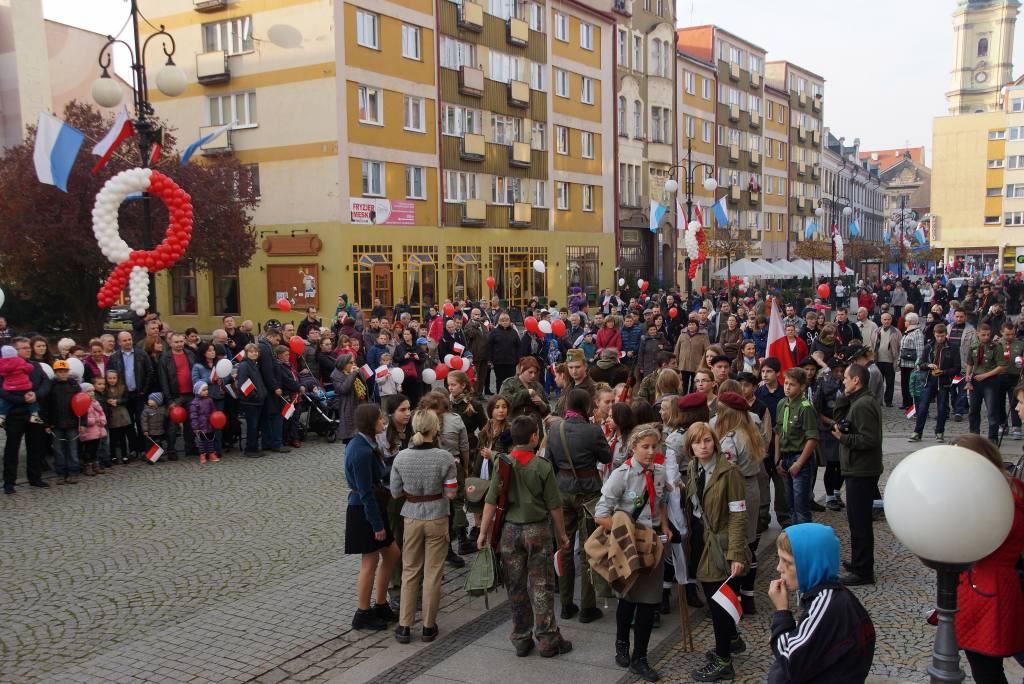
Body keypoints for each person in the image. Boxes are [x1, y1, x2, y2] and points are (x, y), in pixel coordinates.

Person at [476, 415, 573, 658]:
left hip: (510, 531)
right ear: (534, 437)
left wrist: (483, 532)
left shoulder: (503, 462)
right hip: (537, 530)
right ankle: (547, 638)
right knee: (542, 584)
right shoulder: (542, 466)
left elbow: (490, 500)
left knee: (515, 585)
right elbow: (554, 505)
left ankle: (521, 636)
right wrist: (562, 534)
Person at [592, 424, 670, 682]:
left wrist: (666, 528)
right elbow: (601, 515)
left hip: (653, 545)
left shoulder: (659, 473)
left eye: (654, 447)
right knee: (627, 597)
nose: (650, 452)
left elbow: (661, 503)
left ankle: (641, 657)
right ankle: (622, 643)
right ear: (633, 447)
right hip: (628, 546)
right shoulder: (621, 475)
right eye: (645, 447)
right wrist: (628, 531)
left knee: (649, 602)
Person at [951, 433, 1024, 684]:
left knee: (986, 669)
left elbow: (972, 544)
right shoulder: (1008, 488)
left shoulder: (996, 500)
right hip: (990, 586)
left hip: (985, 590)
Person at [766, 524, 876, 683]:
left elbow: (791, 661)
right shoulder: (831, 595)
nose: (779, 568)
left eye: (787, 562)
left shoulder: (826, 602)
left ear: (809, 564)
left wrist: (782, 613)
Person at [684, 422, 749, 682]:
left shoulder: (729, 473)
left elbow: (738, 515)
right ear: (690, 446)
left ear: (715, 443)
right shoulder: (693, 467)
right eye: (697, 442)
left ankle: (724, 661)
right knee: (714, 597)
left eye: (707, 440)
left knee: (718, 603)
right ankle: (731, 640)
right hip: (701, 538)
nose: (702, 446)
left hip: (721, 543)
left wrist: (736, 553)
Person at [389, 409, 458, 644]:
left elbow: (396, 492)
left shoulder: (401, 457)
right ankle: (429, 626)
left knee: (410, 572)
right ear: (435, 428)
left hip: (411, 516)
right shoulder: (445, 458)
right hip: (437, 516)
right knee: (433, 572)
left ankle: (404, 626)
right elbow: (451, 493)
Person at [545, 388, 612, 623]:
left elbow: (548, 462)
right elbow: (606, 457)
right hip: (588, 494)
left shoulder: (554, 429)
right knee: (588, 550)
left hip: (562, 492)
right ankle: (587, 607)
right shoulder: (592, 431)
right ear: (586, 406)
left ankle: (565, 604)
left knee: (564, 547)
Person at [345, 403, 401, 631]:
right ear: (370, 423)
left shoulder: (366, 443)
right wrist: (376, 524)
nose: (384, 422)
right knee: (369, 561)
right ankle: (363, 612)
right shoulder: (360, 450)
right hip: (364, 511)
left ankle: (380, 604)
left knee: (392, 553)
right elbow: (365, 491)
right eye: (380, 419)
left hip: (370, 506)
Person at [711, 391, 766, 615]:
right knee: (750, 542)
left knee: (737, 544)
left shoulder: (731, 439)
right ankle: (749, 595)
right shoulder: (751, 431)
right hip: (752, 488)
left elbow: (725, 469)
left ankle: (734, 598)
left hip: (738, 489)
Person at [832, 363, 882, 586]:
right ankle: (858, 562)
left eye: (846, 378)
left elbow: (869, 439)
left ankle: (863, 571)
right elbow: (840, 419)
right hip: (857, 468)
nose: (843, 381)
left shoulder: (863, 405)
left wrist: (844, 439)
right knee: (856, 520)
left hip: (862, 470)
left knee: (860, 522)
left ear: (856, 381)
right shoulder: (858, 400)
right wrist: (843, 396)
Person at [775, 368, 819, 525]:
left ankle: (804, 541)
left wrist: (799, 463)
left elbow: (812, 438)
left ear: (801, 387)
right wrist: (777, 459)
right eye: (786, 383)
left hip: (800, 458)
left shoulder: (805, 407)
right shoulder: (781, 404)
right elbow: (778, 433)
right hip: (785, 458)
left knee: (801, 506)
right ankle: (794, 540)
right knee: (790, 504)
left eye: (792, 385)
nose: (787, 387)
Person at [909, 323, 959, 443]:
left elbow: (957, 368)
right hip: (928, 381)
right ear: (934, 334)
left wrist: (944, 371)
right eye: (938, 336)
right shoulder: (929, 346)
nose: (940, 338)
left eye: (942, 336)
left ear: (946, 334)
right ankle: (917, 432)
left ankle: (939, 432)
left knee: (942, 408)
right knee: (923, 407)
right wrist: (927, 365)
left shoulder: (952, 348)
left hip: (943, 381)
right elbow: (920, 364)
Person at [967, 323, 1002, 441]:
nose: (986, 337)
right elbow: (970, 363)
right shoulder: (973, 346)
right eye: (983, 335)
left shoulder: (996, 347)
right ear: (978, 334)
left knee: (992, 410)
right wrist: (967, 375)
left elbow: (1000, 366)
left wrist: (985, 375)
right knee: (973, 410)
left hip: (990, 380)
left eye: (988, 335)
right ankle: (974, 436)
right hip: (976, 380)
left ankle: (993, 438)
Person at [236, 343, 268, 457]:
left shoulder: (254, 364)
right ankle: (250, 449)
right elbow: (243, 383)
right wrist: (256, 395)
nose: (254, 353)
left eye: (256, 351)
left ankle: (254, 447)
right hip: (250, 401)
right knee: (252, 426)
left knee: (256, 426)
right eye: (251, 351)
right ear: (246, 353)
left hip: (257, 401)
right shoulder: (244, 365)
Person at [0, 344, 43, 427]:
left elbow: (2, 373)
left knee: (5, 402)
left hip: (9, 387)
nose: (28, 350)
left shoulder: (2, 363)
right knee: (31, 399)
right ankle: (34, 415)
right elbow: (28, 368)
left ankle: (2, 417)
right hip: (23, 386)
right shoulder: (19, 361)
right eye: (24, 348)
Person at [499, 356, 550, 424]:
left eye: (535, 373)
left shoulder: (538, 386)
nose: (533, 375)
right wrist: (526, 393)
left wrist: (541, 403)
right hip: (515, 427)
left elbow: (546, 411)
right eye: (530, 372)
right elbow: (505, 404)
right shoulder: (509, 383)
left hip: (535, 427)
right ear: (522, 369)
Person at [870, 312, 902, 407]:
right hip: (878, 361)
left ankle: (888, 401)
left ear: (891, 320)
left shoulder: (896, 332)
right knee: (878, 383)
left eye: (888, 319)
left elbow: (900, 346)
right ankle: (878, 401)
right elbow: (872, 345)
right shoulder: (876, 331)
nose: (886, 321)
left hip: (890, 361)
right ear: (881, 320)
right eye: (884, 319)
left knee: (890, 383)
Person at [899, 313, 925, 410]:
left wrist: (918, 364)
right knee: (904, 384)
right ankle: (906, 402)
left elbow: (920, 350)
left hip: (912, 364)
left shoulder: (917, 333)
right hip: (904, 363)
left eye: (906, 321)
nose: (904, 322)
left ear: (909, 322)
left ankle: (911, 404)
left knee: (911, 385)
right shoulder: (908, 331)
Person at [141, 392, 167, 462]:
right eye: (148, 399)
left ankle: (157, 457)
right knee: (150, 445)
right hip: (150, 432)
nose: (148, 401)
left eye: (151, 400)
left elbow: (167, 416)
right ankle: (149, 458)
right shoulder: (146, 411)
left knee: (158, 445)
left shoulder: (162, 409)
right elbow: (144, 421)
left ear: (157, 402)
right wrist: (145, 430)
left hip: (160, 431)